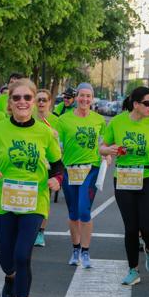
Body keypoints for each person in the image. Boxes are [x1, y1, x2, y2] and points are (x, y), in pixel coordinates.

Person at [0, 78, 63, 297]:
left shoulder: (44, 132)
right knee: (7, 259)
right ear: (10, 103)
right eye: (17, 98)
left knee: (23, 255)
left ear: (35, 101)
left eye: (28, 98)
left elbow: (58, 165)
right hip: (4, 202)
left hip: (34, 201)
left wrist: (55, 179)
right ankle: (10, 277)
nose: (23, 102)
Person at [100, 86, 149, 286]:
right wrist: (108, 150)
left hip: (148, 176)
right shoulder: (118, 122)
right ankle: (133, 270)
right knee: (131, 227)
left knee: (148, 225)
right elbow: (102, 147)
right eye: (147, 103)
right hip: (124, 177)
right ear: (136, 104)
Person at [58, 83, 106, 268]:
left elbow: (104, 143)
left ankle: (85, 252)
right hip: (70, 170)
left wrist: (107, 155)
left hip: (91, 169)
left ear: (92, 98)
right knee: (73, 213)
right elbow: (58, 146)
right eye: (82, 96)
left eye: (88, 96)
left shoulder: (99, 120)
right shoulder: (64, 120)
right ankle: (76, 248)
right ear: (76, 97)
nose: (85, 99)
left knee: (84, 210)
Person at [33, 89, 60, 247]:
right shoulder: (29, 118)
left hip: (49, 164)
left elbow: (63, 144)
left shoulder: (57, 121)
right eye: (39, 100)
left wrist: (57, 137)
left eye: (44, 100)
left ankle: (40, 232)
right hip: (32, 164)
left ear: (50, 102)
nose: (41, 103)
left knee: (44, 199)